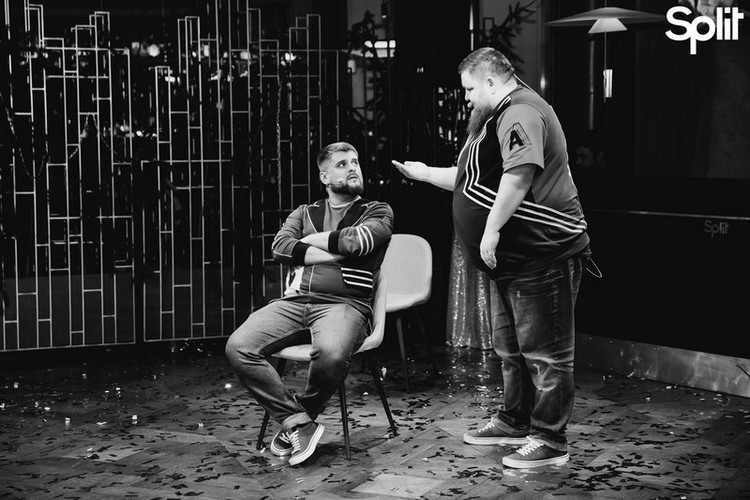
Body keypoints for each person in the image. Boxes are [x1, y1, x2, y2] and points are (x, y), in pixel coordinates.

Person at [392, 47, 590, 469]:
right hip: (514, 262)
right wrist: (424, 173)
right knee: (512, 349)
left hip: (542, 255)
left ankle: (550, 439)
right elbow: (469, 180)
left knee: (546, 355)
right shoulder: (496, 117)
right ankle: (516, 420)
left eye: (469, 90)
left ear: (490, 81)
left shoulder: (520, 112)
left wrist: (493, 229)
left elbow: (520, 174)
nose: (465, 98)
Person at [226, 141, 393, 466]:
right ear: (324, 176)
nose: (353, 167)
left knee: (331, 353)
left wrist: (309, 243)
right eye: (342, 164)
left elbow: (358, 242)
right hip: (297, 302)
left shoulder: (377, 211)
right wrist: (336, 252)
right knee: (239, 346)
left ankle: (297, 419)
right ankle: (299, 423)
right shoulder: (304, 212)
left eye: (355, 161)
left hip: (346, 305)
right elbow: (280, 247)